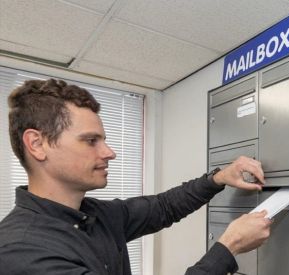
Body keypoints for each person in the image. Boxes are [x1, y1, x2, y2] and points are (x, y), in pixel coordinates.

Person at [0, 79, 272, 275]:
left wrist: (218, 178)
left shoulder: (95, 215)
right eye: (91, 140)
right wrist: (228, 247)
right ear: (37, 144)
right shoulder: (23, 251)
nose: (109, 152)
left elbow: (164, 207)